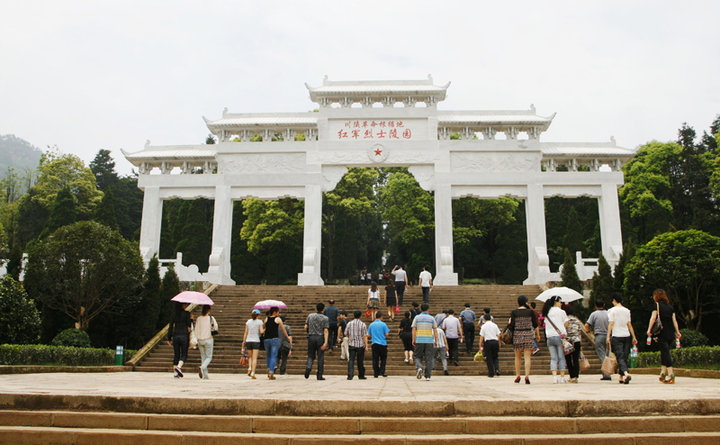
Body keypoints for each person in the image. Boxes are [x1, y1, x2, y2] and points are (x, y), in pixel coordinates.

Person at [646, 289, 682, 384]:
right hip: (670, 333)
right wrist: (677, 332)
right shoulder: (670, 307)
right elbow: (674, 320)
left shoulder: (657, 306)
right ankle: (662, 373)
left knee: (665, 352)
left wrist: (649, 330)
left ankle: (671, 374)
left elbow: (653, 318)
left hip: (661, 332)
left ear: (656, 296)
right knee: (664, 351)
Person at [607, 293, 638, 384]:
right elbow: (629, 325)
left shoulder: (611, 311)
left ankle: (626, 373)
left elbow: (611, 324)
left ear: (615, 300)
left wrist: (608, 336)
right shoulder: (627, 311)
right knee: (624, 356)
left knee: (620, 356)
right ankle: (621, 377)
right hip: (626, 335)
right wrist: (634, 336)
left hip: (617, 336)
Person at [510, 295, 540, 384]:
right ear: (526, 302)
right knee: (527, 357)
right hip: (528, 334)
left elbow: (512, 325)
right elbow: (535, 324)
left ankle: (518, 375)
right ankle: (527, 375)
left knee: (517, 357)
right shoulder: (530, 312)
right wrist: (537, 335)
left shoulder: (514, 312)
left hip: (517, 334)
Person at [542, 295, 568, 384]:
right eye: (560, 302)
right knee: (561, 358)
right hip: (559, 337)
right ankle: (562, 377)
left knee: (553, 358)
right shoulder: (562, 312)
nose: (561, 304)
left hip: (549, 337)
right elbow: (566, 324)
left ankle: (554, 377)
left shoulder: (547, 312)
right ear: (556, 302)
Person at [585, 300, 611, 381]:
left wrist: (588, 331)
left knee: (602, 355)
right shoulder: (609, 313)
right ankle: (607, 372)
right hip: (608, 336)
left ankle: (606, 374)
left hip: (599, 336)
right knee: (607, 355)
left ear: (595, 306)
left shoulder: (594, 314)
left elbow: (586, 325)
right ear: (604, 304)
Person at [412, 303, 438, 381]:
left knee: (417, 356)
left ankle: (419, 367)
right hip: (429, 340)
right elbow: (435, 330)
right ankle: (428, 376)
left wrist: (413, 339)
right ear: (428, 309)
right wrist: (436, 340)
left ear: (421, 310)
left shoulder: (417, 317)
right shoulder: (431, 318)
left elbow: (413, 329)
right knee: (428, 358)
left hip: (419, 339)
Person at [304, 302, 329, 380]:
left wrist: (309, 331)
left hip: (311, 337)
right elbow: (325, 331)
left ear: (316, 308)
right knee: (320, 357)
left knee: (311, 355)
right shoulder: (325, 318)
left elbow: (305, 327)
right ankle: (319, 375)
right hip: (320, 337)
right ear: (323, 309)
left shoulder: (310, 316)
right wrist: (325, 342)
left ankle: (308, 367)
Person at [167, 302, 192, 378]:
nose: (185, 306)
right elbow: (189, 325)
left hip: (176, 335)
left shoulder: (174, 314)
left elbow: (170, 326)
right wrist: (191, 319)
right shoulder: (187, 313)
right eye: (184, 304)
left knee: (176, 354)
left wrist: (169, 338)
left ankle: (175, 373)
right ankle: (179, 366)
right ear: (182, 305)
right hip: (184, 335)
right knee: (184, 354)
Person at [263, 306, 288, 380]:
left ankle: (268, 368)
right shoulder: (277, 319)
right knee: (274, 356)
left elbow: (264, 327)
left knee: (268, 355)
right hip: (274, 339)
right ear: (275, 312)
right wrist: (287, 337)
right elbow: (283, 329)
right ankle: (271, 372)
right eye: (278, 312)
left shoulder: (266, 319)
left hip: (266, 339)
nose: (278, 313)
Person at [563, 304, 585, 383]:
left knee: (568, 359)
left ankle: (571, 376)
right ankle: (576, 376)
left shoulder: (565, 320)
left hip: (568, 342)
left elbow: (564, 331)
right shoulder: (577, 320)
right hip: (577, 341)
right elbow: (579, 332)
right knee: (576, 359)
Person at [195, 305, 217, 380]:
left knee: (203, 357)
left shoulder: (199, 318)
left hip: (200, 340)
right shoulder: (211, 318)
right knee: (209, 357)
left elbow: (196, 329)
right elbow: (216, 327)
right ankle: (202, 367)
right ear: (209, 310)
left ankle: (205, 375)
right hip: (208, 338)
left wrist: (197, 338)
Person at [345, 310, 368, 380]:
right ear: (360, 316)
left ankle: (350, 374)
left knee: (351, 359)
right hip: (360, 345)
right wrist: (366, 345)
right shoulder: (363, 324)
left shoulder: (349, 323)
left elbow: (345, 333)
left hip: (351, 344)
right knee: (360, 360)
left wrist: (350, 337)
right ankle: (361, 375)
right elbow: (365, 336)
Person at [242, 309, 264, 379]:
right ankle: (253, 372)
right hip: (256, 341)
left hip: (248, 340)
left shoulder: (248, 321)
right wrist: (265, 329)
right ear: (258, 315)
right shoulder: (260, 322)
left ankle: (249, 367)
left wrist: (244, 341)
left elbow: (246, 332)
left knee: (250, 357)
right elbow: (261, 332)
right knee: (254, 358)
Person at [368, 312, 390, 377]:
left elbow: (369, 335)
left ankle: (376, 373)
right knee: (383, 358)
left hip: (374, 343)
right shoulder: (383, 324)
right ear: (381, 317)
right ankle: (382, 371)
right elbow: (386, 334)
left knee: (375, 359)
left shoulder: (371, 324)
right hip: (383, 343)